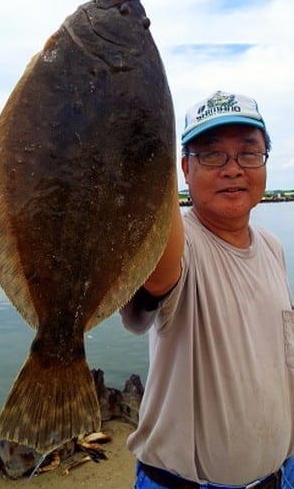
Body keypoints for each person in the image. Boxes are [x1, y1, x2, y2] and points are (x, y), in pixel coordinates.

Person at [121, 90, 294, 489]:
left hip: (278, 475)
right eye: (212, 155)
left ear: (265, 161)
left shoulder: (273, 246)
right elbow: (160, 274)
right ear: (182, 168)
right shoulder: (180, 245)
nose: (233, 169)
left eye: (249, 153)